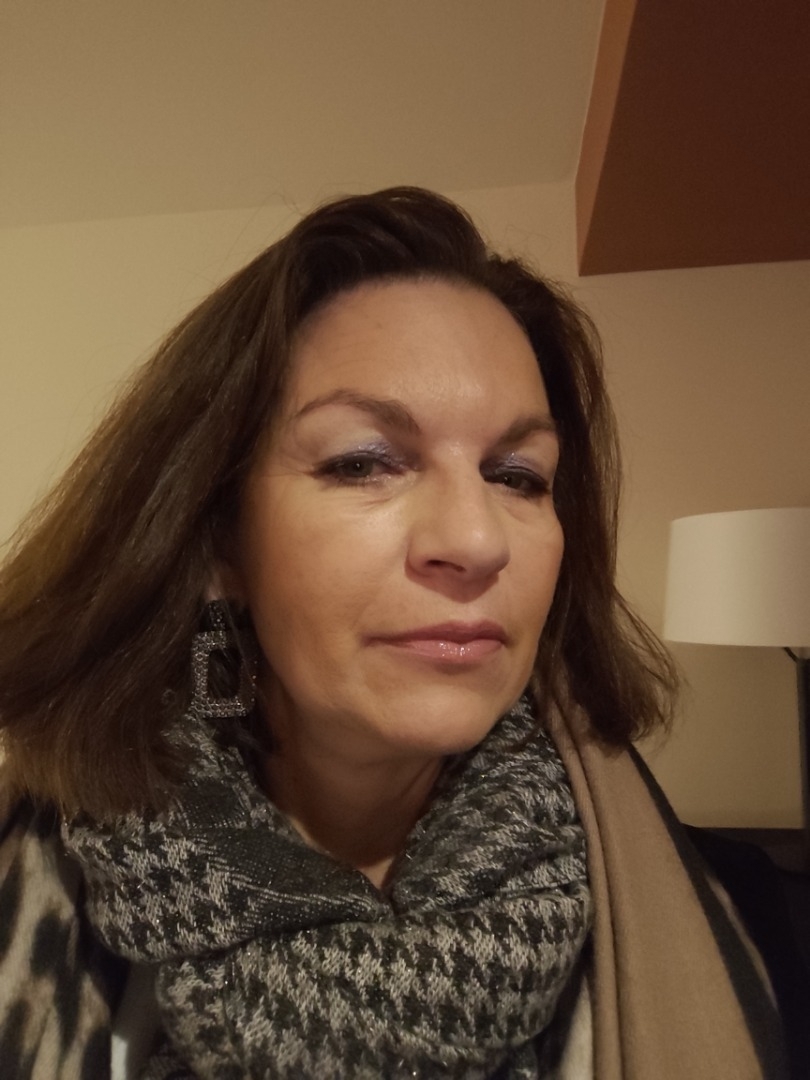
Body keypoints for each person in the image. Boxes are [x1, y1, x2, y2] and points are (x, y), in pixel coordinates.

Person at [0, 188, 790, 1078]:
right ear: (220, 538)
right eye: (365, 462)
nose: (477, 540)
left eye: (518, 476)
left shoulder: (757, 931)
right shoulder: (35, 883)